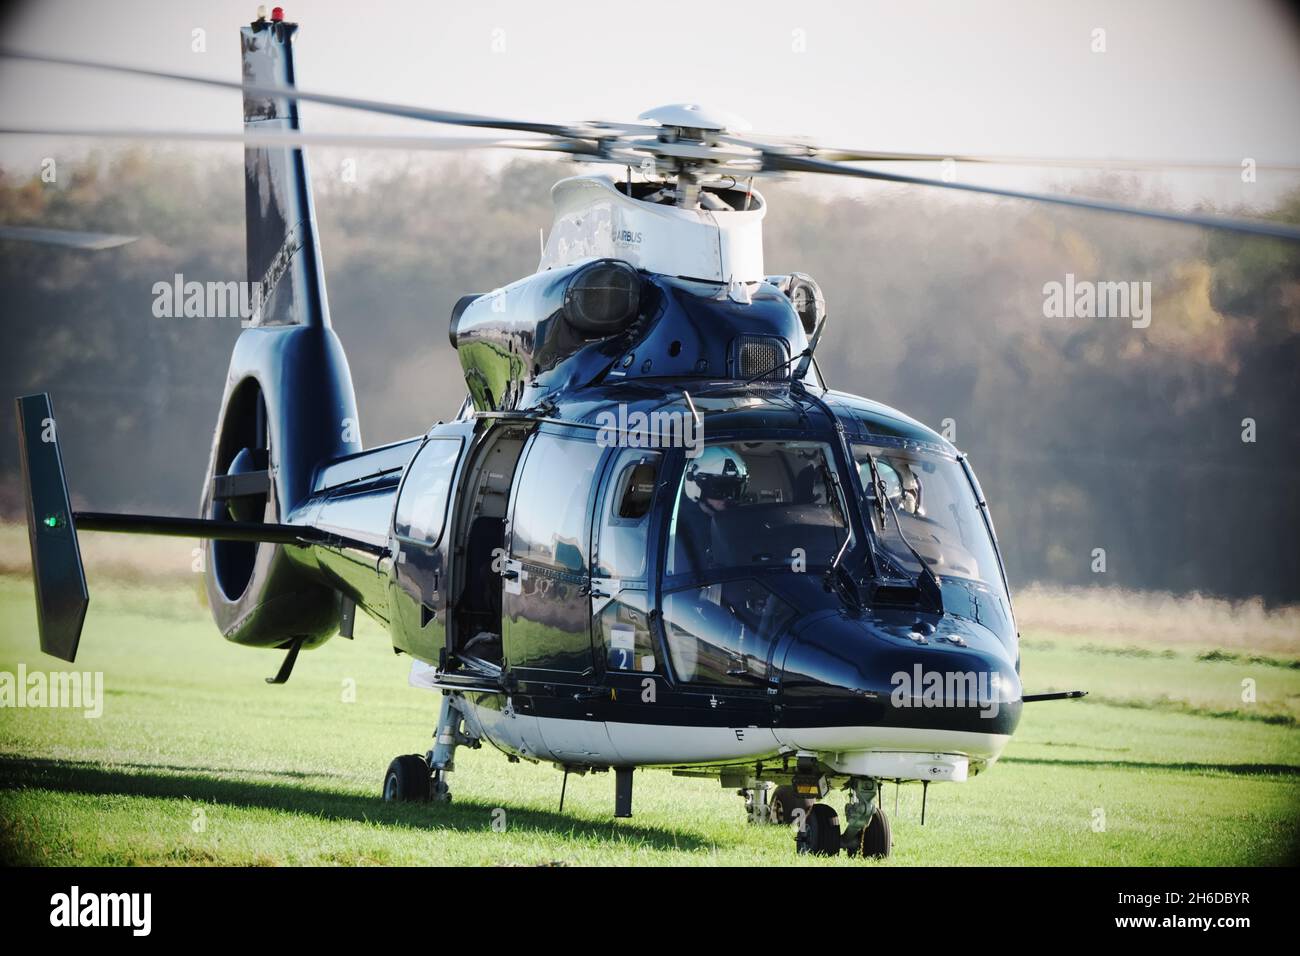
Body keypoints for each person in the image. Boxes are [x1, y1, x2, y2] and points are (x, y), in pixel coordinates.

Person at [671, 446, 749, 575]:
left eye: (735, 489)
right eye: (719, 489)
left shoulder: (742, 523)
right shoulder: (678, 529)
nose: (728, 497)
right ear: (695, 487)